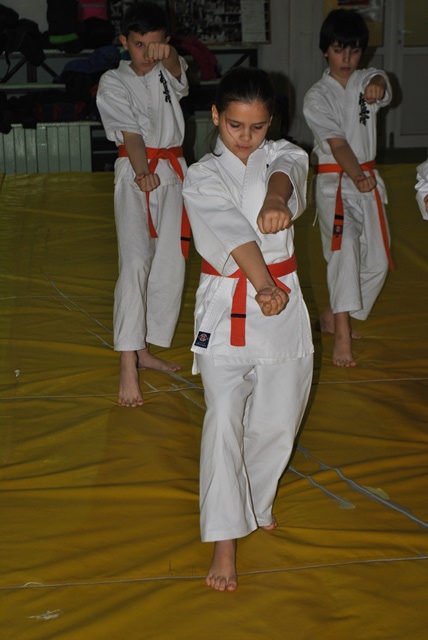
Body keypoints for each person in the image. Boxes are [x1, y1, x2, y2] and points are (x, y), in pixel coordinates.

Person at [182, 67, 314, 592]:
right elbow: (235, 235)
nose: (245, 137)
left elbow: (286, 168)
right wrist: (262, 285)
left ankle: (256, 500)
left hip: (283, 304)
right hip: (229, 304)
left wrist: (277, 199)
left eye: (257, 127)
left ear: (270, 123)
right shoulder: (201, 175)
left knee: (278, 422)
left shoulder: (285, 154)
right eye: (235, 125)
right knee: (222, 421)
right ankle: (224, 539)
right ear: (216, 116)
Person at [96, 1, 190, 407]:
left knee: (167, 264)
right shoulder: (113, 81)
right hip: (135, 173)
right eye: (139, 45)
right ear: (124, 41)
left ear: (165, 43)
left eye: (155, 46)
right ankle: (126, 361)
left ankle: (144, 349)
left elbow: (178, 71)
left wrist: (167, 55)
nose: (146, 54)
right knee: (135, 261)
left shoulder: (167, 70)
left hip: (172, 172)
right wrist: (141, 172)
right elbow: (131, 135)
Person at [303, 8, 393, 367]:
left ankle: (331, 315)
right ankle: (341, 331)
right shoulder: (316, 97)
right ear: (326, 50)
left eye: (354, 51)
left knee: (378, 263)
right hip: (335, 183)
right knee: (346, 250)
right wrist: (356, 176)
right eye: (339, 50)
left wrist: (378, 83)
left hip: (366, 181)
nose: (347, 59)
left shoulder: (366, 79)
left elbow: (380, 80)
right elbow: (338, 145)